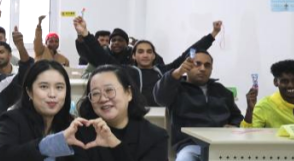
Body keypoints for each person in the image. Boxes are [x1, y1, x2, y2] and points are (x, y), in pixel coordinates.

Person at [153, 50, 243, 161]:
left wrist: (233, 125)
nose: (202, 68)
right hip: (191, 145)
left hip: (221, 146)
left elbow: (236, 116)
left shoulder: (221, 91)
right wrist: (177, 73)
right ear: (188, 66)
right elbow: (160, 97)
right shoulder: (177, 89)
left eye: (207, 65)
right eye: (198, 64)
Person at [75, 18, 223, 105]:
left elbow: (188, 53)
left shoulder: (163, 71)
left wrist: (213, 35)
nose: (145, 55)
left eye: (149, 52)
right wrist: (85, 34)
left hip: (162, 116)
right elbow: (102, 56)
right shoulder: (127, 71)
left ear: (154, 56)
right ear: (134, 56)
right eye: (140, 52)